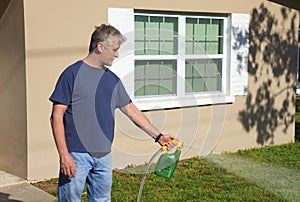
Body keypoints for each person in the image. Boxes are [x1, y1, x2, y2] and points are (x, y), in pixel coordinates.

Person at [49, 24, 176, 202]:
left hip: (104, 155)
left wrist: (158, 136)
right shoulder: (72, 74)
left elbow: (131, 111)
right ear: (100, 46)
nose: (117, 54)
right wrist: (64, 155)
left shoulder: (111, 79)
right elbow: (56, 116)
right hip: (77, 155)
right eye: (115, 49)